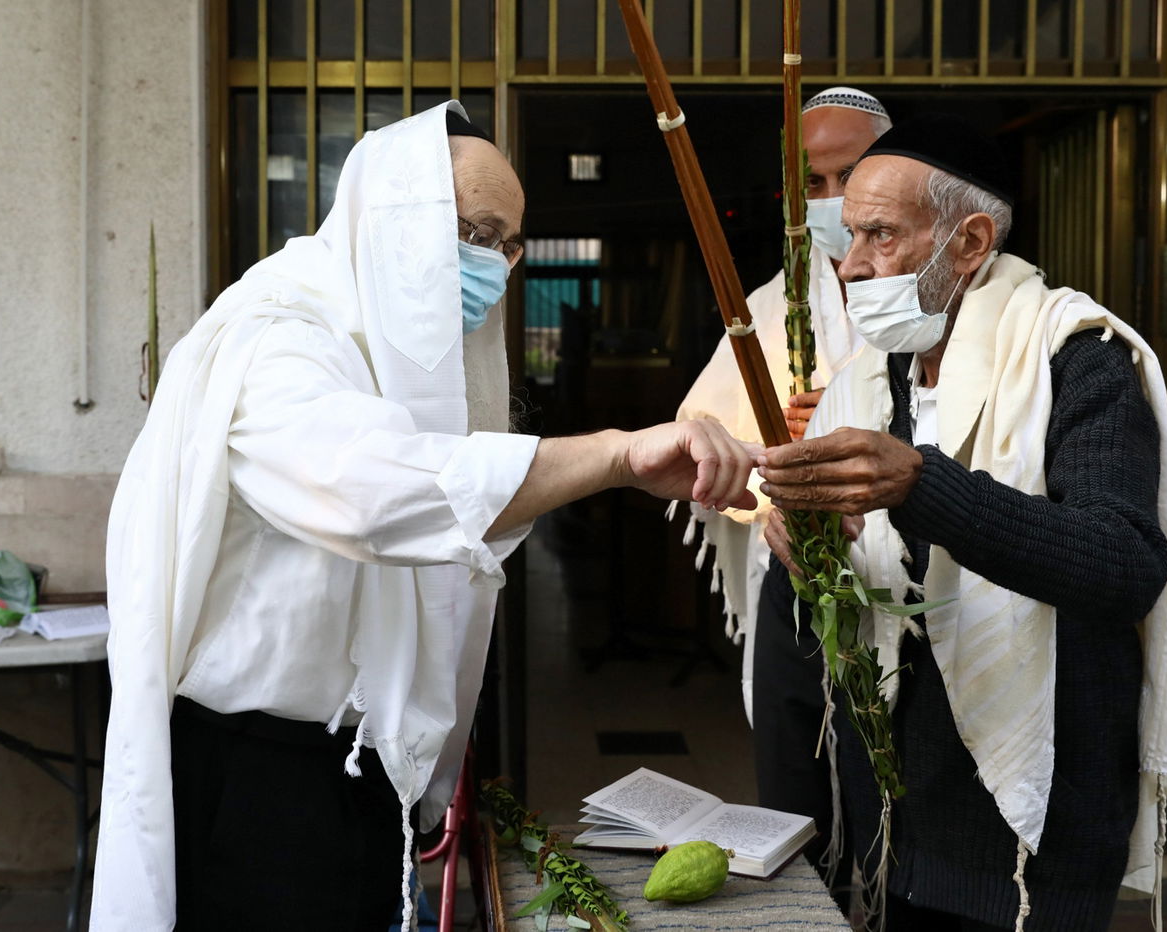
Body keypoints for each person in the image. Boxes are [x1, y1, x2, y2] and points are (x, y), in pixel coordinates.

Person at [90, 102, 759, 932]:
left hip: (358, 768)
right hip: (264, 779)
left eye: (509, 243)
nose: (499, 265)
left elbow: (454, 518)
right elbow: (384, 495)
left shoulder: (374, 345)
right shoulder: (279, 339)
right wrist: (617, 454)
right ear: (398, 225)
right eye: (477, 234)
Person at [755, 113, 1167, 930]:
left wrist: (921, 486)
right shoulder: (872, 381)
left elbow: (1123, 564)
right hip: (897, 816)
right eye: (847, 237)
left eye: (880, 236)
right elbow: (852, 584)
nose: (853, 265)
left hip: (1029, 830)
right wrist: (803, 544)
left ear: (969, 241)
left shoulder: (1077, 358)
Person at [674, 86, 889, 883]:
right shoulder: (771, 308)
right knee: (794, 799)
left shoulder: (938, 301)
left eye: (851, 176)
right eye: (815, 184)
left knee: (892, 804)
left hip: (905, 584)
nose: (833, 202)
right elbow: (706, 446)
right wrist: (776, 450)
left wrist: (850, 431)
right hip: (796, 580)